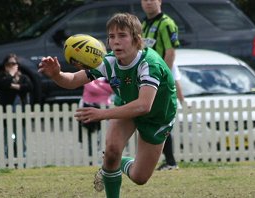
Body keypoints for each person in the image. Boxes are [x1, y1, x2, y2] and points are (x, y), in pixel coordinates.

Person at [38, 13, 177, 198]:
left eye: (122, 35)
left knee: (139, 177)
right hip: (127, 105)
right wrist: (56, 74)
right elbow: (72, 80)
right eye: (112, 37)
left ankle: (119, 164)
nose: (116, 41)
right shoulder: (109, 61)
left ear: (137, 39)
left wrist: (102, 114)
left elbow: (144, 106)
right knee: (111, 152)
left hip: (157, 115)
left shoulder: (149, 64)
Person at [141, 0, 184, 171]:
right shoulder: (143, 23)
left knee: (160, 119)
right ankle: (166, 161)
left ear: (160, 1)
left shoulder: (166, 23)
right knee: (150, 118)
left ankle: (171, 161)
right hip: (146, 77)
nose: (148, 2)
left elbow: (170, 52)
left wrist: (161, 77)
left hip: (158, 79)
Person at [0, 53, 33, 158]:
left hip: (20, 111)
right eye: (9, 64)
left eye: (14, 63)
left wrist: (12, 85)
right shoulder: (1, 77)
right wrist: (11, 75)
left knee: (21, 136)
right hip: (5, 112)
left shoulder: (23, 77)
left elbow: (29, 87)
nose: (11, 66)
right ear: (5, 65)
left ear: (18, 65)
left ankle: (22, 159)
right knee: (4, 137)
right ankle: (2, 159)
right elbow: (1, 85)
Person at [79, 78, 113, 156]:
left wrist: (99, 84)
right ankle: (90, 155)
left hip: (105, 109)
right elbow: (92, 89)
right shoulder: (89, 77)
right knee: (89, 133)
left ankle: (101, 153)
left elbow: (112, 89)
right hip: (88, 107)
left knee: (104, 133)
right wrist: (105, 89)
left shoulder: (106, 78)